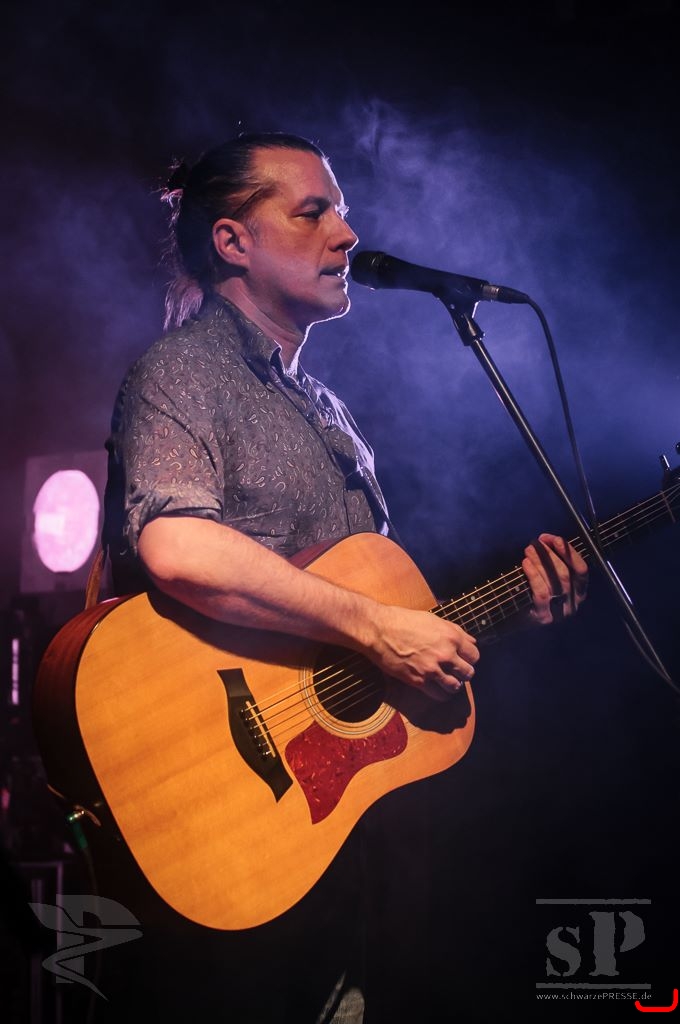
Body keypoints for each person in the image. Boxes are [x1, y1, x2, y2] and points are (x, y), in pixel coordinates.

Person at [100, 131, 588, 1023]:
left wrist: (504, 606)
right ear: (233, 241)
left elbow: (369, 628)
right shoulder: (183, 371)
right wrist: (375, 627)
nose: (349, 233)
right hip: (219, 828)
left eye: (344, 210)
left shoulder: (327, 410)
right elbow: (176, 545)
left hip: (329, 852)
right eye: (313, 211)